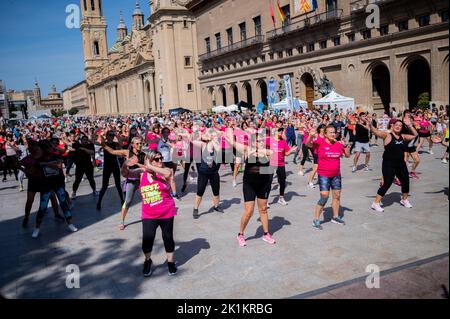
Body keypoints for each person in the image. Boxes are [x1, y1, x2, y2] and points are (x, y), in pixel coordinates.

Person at [121, 152, 178, 277]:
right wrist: (125, 164)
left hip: (166, 212)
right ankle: (147, 260)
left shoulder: (165, 170)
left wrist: (149, 166)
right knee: (147, 240)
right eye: (156, 159)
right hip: (149, 214)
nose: (160, 161)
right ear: (150, 160)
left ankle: (170, 262)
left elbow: (169, 174)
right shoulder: (141, 173)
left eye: (160, 158)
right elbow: (125, 173)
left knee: (168, 238)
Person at [227, 131, 276, 246]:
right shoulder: (247, 149)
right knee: (249, 211)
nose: (262, 142)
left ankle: (266, 234)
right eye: (259, 141)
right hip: (249, 184)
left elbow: (272, 152)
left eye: (263, 140)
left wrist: (260, 151)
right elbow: (233, 143)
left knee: (263, 209)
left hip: (264, 184)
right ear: (254, 142)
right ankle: (240, 234)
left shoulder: (267, 152)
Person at [368, 117, 418, 212]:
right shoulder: (387, 135)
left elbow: (415, 135)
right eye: (397, 125)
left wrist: (410, 125)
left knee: (406, 181)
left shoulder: (403, 136)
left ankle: (404, 200)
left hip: (401, 163)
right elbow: (376, 132)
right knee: (387, 183)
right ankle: (376, 203)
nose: (398, 127)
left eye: (400, 125)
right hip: (388, 163)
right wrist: (371, 125)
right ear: (393, 126)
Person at [306, 125, 351, 230]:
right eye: (330, 132)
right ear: (325, 134)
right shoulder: (320, 143)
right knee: (324, 196)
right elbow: (308, 144)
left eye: (334, 132)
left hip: (336, 175)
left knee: (337, 196)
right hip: (324, 174)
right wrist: (310, 136)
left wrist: (346, 146)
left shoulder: (338, 144)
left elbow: (347, 155)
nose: (333, 134)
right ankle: (316, 219)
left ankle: (335, 217)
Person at [32, 140, 78, 238]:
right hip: (46, 185)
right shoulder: (39, 159)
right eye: (49, 147)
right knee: (42, 207)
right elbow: (33, 168)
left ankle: (70, 224)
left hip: (58, 184)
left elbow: (58, 166)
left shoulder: (56, 156)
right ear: (44, 149)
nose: (51, 149)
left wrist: (44, 164)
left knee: (63, 203)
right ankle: (37, 228)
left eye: (51, 147)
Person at [103, 136, 147, 230]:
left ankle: (146, 216)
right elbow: (113, 152)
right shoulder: (127, 152)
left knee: (146, 199)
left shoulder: (144, 154)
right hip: (131, 180)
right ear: (132, 145)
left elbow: (146, 167)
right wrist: (103, 145)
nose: (140, 145)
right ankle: (122, 221)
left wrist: (137, 164)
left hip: (142, 180)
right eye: (137, 143)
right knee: (127, 201)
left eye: (141, 143)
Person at [192, 129, 222, 219]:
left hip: (214, 172)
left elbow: (219, 150)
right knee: (200, 191)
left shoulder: (216, 145)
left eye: (215, 136)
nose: (215, 137)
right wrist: (201, 136)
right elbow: (192, 141)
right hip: (203, 173)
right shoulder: (203, 144)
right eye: (213, 135)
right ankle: (195, 208)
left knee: (216, 191)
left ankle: (216, 206)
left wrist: (214, 141)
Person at [97, 130, 125, 210]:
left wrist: (117, 135)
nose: (112, 137)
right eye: (110, 135)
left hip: (115, 165)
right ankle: (99, 202)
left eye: (113, 136)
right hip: (107, 167)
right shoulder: (104, 144)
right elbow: (98, 141)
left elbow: (121, 144)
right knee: (104, 186)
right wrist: (99, 133)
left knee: (118, 185)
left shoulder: (115, 144)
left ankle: (122, 201)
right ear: (107, 136)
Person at [269, 127, 297, 205]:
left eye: (282, 130)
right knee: (268, 181)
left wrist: (291, 151)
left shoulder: (283, 142)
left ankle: (281, 198)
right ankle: (266, 199)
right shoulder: (270, 140)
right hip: (271, 164)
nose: (281, 132)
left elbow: (286, 153)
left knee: (282, 182)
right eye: (279, 130)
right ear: (274, 132)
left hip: (281, 164)